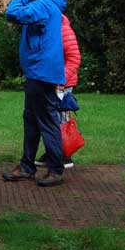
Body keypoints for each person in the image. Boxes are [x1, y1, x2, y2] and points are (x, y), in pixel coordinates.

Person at [3, 0, 67, 187]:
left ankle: (55, 169)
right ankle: (28, 165)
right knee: (31, 119)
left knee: (46, 121)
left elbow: (12, 13)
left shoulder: (42, 5)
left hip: (42, 72)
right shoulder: (47, 4)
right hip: (39, 72)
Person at [36, 14, 80, 169]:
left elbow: (74, 58)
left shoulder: (64, 30)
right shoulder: (49, 29)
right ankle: (53, 152)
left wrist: (61, 80)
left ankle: (65, 155)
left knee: (61, 119)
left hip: (62, 83)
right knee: (51, 118)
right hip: (50, 81)